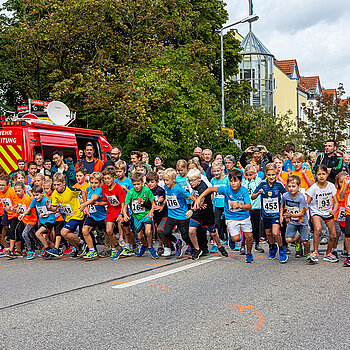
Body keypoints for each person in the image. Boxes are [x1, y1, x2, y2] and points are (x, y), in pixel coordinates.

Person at [194, 169, 254, 263]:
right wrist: (199, 198)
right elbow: (210, 189)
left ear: (240, 181)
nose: (233, 184)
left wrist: (239, 205)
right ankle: (231, 238)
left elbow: (249, 206)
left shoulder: (244, 191)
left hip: (244, 216)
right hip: (231, 217)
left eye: (235, 181)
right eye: (231, 181)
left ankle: (249, 253)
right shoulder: (226, 189)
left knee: (249, 237)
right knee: (236, 238)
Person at [186, 168, 228, 259]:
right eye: (189, 181)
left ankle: (220, 246)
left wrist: (192, 210)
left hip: (206, 212)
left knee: (213, 233)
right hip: (197, 211)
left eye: (193, 180)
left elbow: (201, 202)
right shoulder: (194, 186)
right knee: (191, 230)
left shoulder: (203, 187)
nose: (191, 183)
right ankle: (197, 249)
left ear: (199, 179)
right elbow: (195, 197)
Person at [251, 163, 288, 263]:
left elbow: (286, 197)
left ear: (276, 174)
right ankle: (272, 247)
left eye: (273, 175)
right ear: (266, 174)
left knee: (276, 232)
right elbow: (252, 196)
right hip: (266, 213)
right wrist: (258, 193)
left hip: (276, 213)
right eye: (269, 175)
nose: (271, 177)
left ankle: (281, 249)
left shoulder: (279, 184)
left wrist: (283, 212)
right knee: (268, 233)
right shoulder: (262, 184)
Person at [47, 173, 86, 258]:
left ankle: (81, 243)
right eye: (54, 185)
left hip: (77, 215)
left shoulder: (70, 191)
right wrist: (50, 208)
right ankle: (79, 249)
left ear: (64, 183)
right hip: (68, 216)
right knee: (67, 236)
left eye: (58, 185)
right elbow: (54, 208)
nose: (56, 187)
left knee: (63, 232)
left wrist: (84, 205)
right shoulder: (55, 194)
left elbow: (82, 192)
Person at [159, 168, 196, 258]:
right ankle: (177, 242)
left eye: (167, 180)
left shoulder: (179, 189)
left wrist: (194, 207)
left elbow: (191, 197)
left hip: (182, 216)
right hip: (171, 215)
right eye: (164, 180)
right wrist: (162, 204)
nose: (165, 182)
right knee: (166, 232)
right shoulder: (165, 187)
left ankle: (193, 247)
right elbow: (168, 198)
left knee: (185, 236)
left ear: (173, 179)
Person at [306, 164, 338, 263]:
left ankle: (328, 253)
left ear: (327, 174)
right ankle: (315, 252)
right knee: (318, 229)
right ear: (315, 175)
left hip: (328, 212)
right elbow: (307, 202)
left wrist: (334, 210)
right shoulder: (313, 188)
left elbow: (336, 202)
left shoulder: (331, 186)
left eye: (323, 174)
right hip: (316, 212)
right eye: (319, 174)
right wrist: (306, 215)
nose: (321, 176)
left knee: (333, 236)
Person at [123, 172, 158, 259]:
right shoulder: (130, 193)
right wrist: (124, 214)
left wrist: (151, 211)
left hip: (146, 215)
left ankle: (150, 247)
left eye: (138, 184)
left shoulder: (147, 190)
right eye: (134, 184)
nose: (136, 186)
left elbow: (153, 203)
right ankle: (145, 245)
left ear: (142, 182)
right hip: (136, 217)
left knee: (148, 232)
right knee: (139, 236)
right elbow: (125, 205)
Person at [280, 175, 310, 260]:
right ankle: (298, 239)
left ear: (299, 187)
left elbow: (301, 212)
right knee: (288, 239)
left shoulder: (301, 197)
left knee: (306, 241)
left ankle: (308, 254)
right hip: (292, 221)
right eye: (289, 186)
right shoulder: (285, 196)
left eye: (293, 186)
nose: (291, 188)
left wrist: (290, 215)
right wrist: (281, 216)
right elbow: (282, 205)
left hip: (301, 220)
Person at [79, 172, 107, 260]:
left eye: (96, 183)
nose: (93, 185)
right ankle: (92, 250)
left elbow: (93, 199)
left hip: (102, 216)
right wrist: (86, 207)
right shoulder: (88, 189)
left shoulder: (99, 189)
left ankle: (114, 247)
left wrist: (83, 205)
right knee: (85, 230)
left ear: (100, 183)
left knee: (109, 232)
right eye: (92, 182)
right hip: (93, 215)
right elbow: (87, 198)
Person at [101, 166, 126, 259]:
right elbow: (106, 201)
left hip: (119, 209)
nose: (107, 181)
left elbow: (123, 203)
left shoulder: (118, 188)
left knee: (126, 230)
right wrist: (98, 203)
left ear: (113, 178)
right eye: (105, 179)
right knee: (108, 231)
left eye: (109, 178)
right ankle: (117, 247)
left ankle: (131, 246)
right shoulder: (104, 188)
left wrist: (122, 214)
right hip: (111, 210)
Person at [242, 164, 264, 253]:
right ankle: (243, 244)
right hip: (247, 206)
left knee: (256, 226)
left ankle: (257, 243)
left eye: (252, 174)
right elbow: (244, 190)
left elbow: (259, 189)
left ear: (255, 174)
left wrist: (254, 181)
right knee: (245, 226)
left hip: (256, 206)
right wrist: (247, 181)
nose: (250, 176)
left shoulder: (259, 181)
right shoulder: (243, 182)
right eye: (248, 175)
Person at [146, 171, 167, 256]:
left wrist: (162, 201)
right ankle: (161, 245)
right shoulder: (147, 191)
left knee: (161, 229)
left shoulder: (160, 190)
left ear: (157, 182)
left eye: (152, 182)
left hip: (162, 212)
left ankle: (164, 245)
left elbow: (165, 198)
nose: (150, 184)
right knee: (156, 229)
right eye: (148, 182)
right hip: (154, 214)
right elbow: (148, 204)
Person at [15, 182, 37, 260]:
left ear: (24, 189)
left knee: (25, 234)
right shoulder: (18, 198)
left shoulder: (27, 199)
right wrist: (18, 210)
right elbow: (19, 207)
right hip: (25, 220)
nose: (17, 193)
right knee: (32, 235)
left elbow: (30, 212)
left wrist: (22, 213)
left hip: (31, 220)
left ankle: (30, 250)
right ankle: (40, 247)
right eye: (16, 191)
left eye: (19, 191)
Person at [210, 161, 229, 249]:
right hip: (217, 205)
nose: (216, 173)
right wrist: (212, 204)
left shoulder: (226, 179)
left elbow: (229, 192)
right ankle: (216, 243)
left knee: (228, 223)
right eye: (214, 171)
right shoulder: (213, 180)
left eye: (218, 171)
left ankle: (232, 240)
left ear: (222, 170)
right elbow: (212, 194)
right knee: (216, 223)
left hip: (226, 205)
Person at [0, 175, 20, 258]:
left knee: (12, 231)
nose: (1, 187)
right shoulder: (1, 192)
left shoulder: (11, 192)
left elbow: (17, 203)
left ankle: (11, 250)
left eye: (3, 185)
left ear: (8, 185)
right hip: (7, 214)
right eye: (0, 185)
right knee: (13, 232)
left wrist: (12, 207)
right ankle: (17, 250)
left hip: (15, 215)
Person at [338, 173, 350, 267]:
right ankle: (349, 256)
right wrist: (345, 184)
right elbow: (341, 196)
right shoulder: (347, 182)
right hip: (348, 212)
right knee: (347, 234)